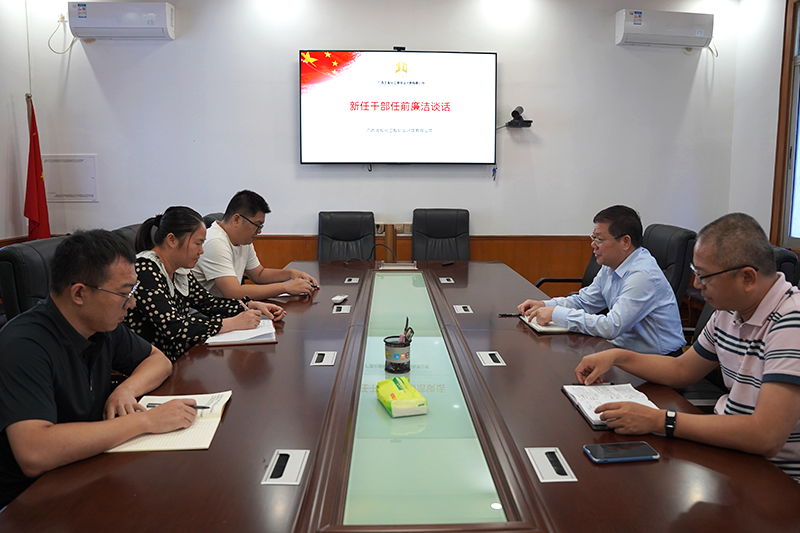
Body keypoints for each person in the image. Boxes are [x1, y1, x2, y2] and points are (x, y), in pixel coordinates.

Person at [574, 213, 800, 481]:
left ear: (748, 278)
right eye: (695, 272)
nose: (696, 285)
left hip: (774, 478)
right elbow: (681, 369)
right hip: (729, 452)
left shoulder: (791, 322)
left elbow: (766, 436)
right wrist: (616, 356)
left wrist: (660, 420)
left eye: (704, 276)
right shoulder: (730, 311)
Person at [0, 230, 198, 509]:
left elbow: (158, 360)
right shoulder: (23, 345)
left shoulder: (102, 325)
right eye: (123, 293)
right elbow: (34, 452)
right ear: (79, 293)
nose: (132, 303)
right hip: (30, 501)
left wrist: (126, 390)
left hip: (87, 468)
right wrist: (146, 422)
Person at [517, 205, 684, 355]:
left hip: (659, 361)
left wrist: (556, 313)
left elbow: (612, 326)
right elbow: (584, 302)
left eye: (600, 239)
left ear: (625, 242)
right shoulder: (612, 265)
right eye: (593, 238)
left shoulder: (642, 275)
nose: (593, 244)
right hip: (622, 351)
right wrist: (545, 305)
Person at [125, 206, 285, 362]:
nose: (201, 251)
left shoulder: (179, 270)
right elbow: (174, 326)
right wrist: (231, 323)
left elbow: (209, 303)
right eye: (198, 243)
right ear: (172, 240)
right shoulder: (144, 270)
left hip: (176, 360)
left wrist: (251, 305)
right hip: (149, 365)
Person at [192, 190, 319, 299]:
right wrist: (285, 287)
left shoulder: (243, 240)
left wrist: (291, 273)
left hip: (225, 308)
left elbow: (259, 274)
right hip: (202, 314)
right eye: (257, 225)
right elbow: (233, 292)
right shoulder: (215, 242)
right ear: (236, 220)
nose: (259, 231)